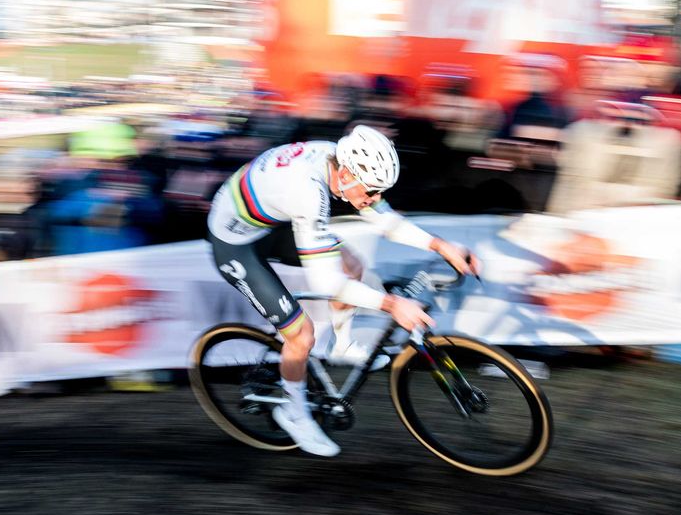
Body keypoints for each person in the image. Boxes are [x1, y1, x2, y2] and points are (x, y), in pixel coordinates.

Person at [206, 125, 481, 457]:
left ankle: (342, 345)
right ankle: (293, 412)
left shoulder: (338, 159)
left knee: (351, 264)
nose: (375, 199)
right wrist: (393, 305)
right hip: (236, 245)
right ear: (348, 174)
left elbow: (385, 221)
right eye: (372, 190)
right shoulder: (309, 192)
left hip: (270, 220)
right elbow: (325, 283)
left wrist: (441, 246)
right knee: (301, 334)